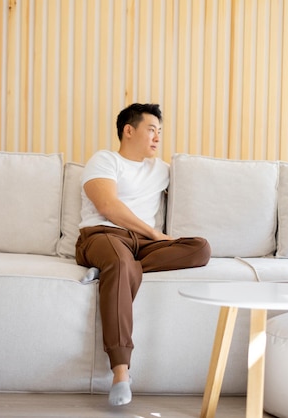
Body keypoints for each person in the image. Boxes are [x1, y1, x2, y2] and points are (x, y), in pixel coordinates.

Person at [75, 103, 211, 406]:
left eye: (160, 132)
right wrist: (154, 234)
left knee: (200, 248)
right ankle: (121, 372)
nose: (157, 138)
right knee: (120, 258)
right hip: (103, 234)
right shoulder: (105, 160)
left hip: (139, 246)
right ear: (129, 130)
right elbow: (108, 207)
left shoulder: (160, 170)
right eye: (152, 130)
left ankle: (112, 270)